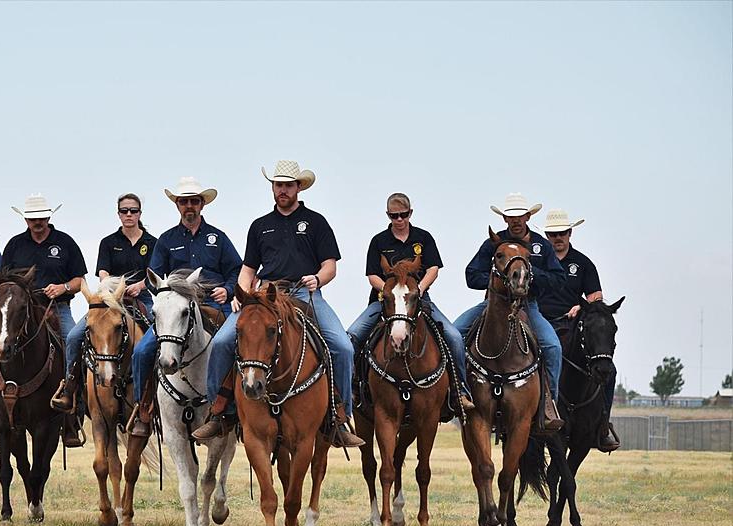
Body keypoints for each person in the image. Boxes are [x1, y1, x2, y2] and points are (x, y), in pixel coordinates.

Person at [196, 160, 364, 447]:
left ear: (298, 187)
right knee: (223, 341)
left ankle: (339, 417)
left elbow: (330, 266)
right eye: (278, 185)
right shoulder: (260, 226)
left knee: (342, 345)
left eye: (288, 185)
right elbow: (248, 268)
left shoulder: (316, 222)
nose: (282, 190)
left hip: (303, 293)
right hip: (265, 295)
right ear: (272, 188)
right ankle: (219, 411)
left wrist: (318, 279)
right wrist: (242, 294)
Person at [0, 194, 89, 446]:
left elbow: (80, 281)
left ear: (48, 217)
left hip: (56, 307)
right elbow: (4, 280)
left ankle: (71, 412)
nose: (37, 222)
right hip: (16, 310)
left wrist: (63, 287)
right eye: (32, 218)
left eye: (41, 217)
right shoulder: (14, 245)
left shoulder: (65, 243)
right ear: (25, 218)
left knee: (72, 342)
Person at [123, 177, 242, 438]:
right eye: (184, 201)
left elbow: (236, 270)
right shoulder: (166, 240)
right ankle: (144, 408)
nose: (189, 206)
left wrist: (228, 289)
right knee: (142, 351)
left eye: (194, 201)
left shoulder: (218, 238)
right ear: (178, 205)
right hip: (176, 309)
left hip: (212, 303)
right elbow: (154, 278)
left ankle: (233, 408)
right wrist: (165, 296)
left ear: (202, 205)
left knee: (237, 345)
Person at [346, 192, 475, 412]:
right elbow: (372, 275)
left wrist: (419, 290)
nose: (398, 220)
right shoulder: (378, 241)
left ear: (410, 213)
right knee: (353, 336)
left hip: (418, 300)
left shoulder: (423, 238)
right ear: (388, 215)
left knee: (453, 337)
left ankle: (459, 391)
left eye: (403, 215)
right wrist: (391, 292)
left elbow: (433, 268)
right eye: (394, 215)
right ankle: (353, 389)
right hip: (383, 302)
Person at [453, 192, 566, 430]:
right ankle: (458, 394)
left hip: (529, 306)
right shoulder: (493, 244)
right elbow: (471, 275)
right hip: (493, 304)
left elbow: (558, 279)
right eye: (510, 216)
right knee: (453, 334)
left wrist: (529, 277)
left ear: (527, 216)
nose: (515, 220)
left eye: (520, 216)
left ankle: (548, 405)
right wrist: (500, 279)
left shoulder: (541, 246)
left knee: (553, 347)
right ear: (505, 219)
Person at [52, 193, 157, 415]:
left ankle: (156, 391)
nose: (129, 215)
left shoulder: (152, 243)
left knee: (162, 338)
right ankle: (70, 387)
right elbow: (103, 272)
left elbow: (155, 274)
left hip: (141, 299)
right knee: (73, 337)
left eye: (133, 211)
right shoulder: (108, 242)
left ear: (140, 213)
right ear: (118, 214)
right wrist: (112, 288)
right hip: (110, 301)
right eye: (124, 211)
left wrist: (140, 285)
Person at [539, 209, 619, 450]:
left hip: (570, 324)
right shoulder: (537, 261)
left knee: (609, 370)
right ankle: (506, 415)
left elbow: (596, 297)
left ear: (570, 233)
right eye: (552, 234)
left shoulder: (583, 263)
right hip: (537, 320)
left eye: (562, 233)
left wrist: (581, 306)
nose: (557, 238)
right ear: (546, 235)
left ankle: (602, 423)